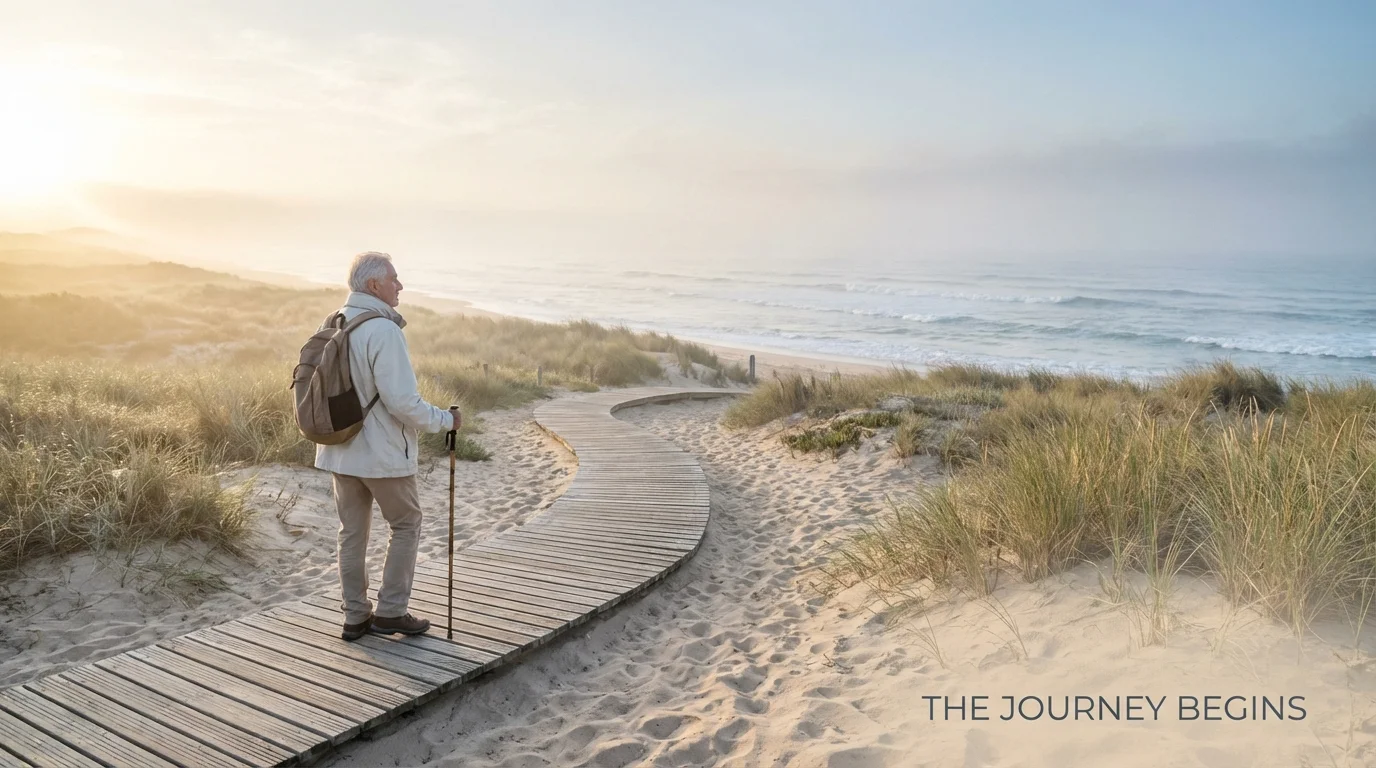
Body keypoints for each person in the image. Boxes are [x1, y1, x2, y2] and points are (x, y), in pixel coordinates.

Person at [316, 251, 459, 640]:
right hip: (380, 454)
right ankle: (392, 612)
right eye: (394, 279)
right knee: (406, 524)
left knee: (351, 533)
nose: (400, 285)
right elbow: (402, 402)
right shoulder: (383, 329)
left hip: (338, 448)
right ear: (374, 285)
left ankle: (355, 616)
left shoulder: (332, 321)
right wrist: (446, 420)